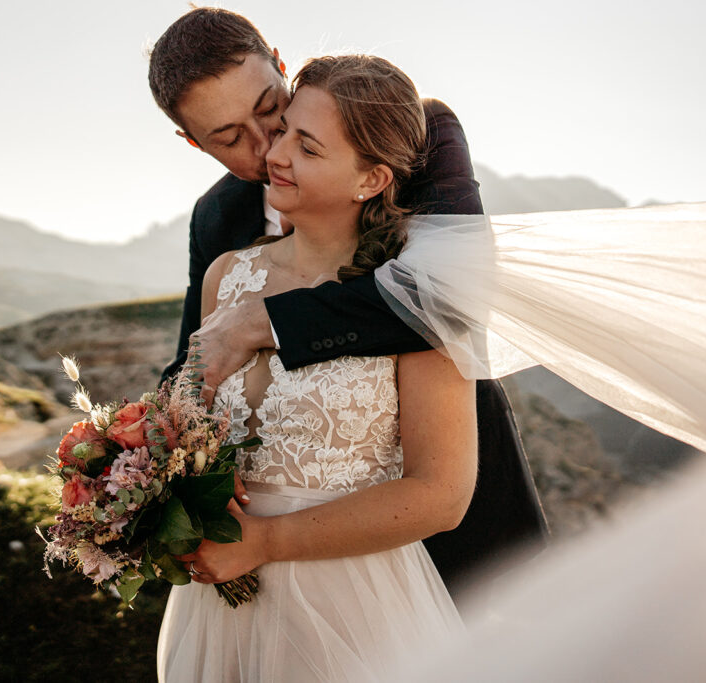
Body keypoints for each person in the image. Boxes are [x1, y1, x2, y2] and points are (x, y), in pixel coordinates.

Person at [148, 6, 547, 604]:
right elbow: (199, 354)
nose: (265, 149)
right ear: (192, 142)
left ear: (281, 67)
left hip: (446, 529)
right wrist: (143, 450)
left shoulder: (411, 130)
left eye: (268, 110)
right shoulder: (217, 219)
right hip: (264, 577)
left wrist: (269, 319)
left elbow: (454, 292)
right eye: (229, 138)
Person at [157, 53, 474, 682]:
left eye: (302, 143)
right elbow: (186, 393)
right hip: (219, 603)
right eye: (282, 134)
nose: (271, 152)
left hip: (354, 604)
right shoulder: (228, 270)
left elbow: (442, 491)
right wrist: (140, 470)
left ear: (370, 180)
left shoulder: (420, 294)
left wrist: (268, 543)